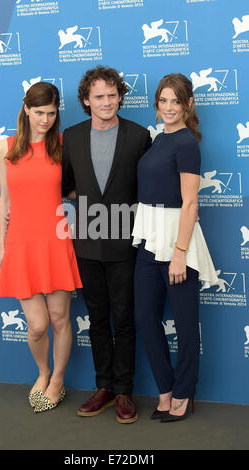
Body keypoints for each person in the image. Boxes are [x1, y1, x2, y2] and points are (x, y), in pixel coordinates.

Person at [62, 66, 151, 423]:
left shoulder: (139, 136)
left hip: (126, 245)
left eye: (112, 95)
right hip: (86, 244)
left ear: (120, 96)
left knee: (123, 319)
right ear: (86, 100)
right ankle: (104, 387)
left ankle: (125, 391)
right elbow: (66, 186)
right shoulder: (71, 136)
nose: (107, 102)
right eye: (99, 96)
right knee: (97, 318)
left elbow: (146, 190)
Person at [132, 73, 218, 422]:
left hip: (177, 243)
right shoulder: (156, 140)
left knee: (184, 324)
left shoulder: (186, 143)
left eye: (176, 101)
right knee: (144, 319)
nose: (168, 107)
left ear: (188, 104)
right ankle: (165, 390)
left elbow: (190, 204)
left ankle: (184, 394)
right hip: (148, 242)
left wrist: (180, 253)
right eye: (163, 100)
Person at [0, 82, 82, 413]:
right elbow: (5, 201)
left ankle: (57, 379)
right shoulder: (6, 149)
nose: (45, 120)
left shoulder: (63, 147)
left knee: (60, 318)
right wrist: (3, 246)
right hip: (21, 244)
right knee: (37, 325)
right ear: (26, 109)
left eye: (51, 113)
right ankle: (42, 372)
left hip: (56, 242)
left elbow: (77, 191)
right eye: (39, 113)